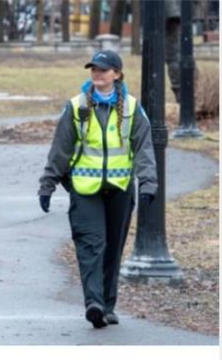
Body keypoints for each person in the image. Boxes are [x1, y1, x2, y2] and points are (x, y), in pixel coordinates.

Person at [38, 50, 158, 328]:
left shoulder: (130, 107)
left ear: (117, 74)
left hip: (119, 188)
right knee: (91, 245)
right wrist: (48, 184)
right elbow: (60, 149)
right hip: (84, 188)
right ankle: (93, 303)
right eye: (94, 69)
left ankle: (108, 305)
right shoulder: (77, 106)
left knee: (112, 249)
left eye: (104, 69)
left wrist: (148, 183)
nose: (97, 73)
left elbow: (143, 148)